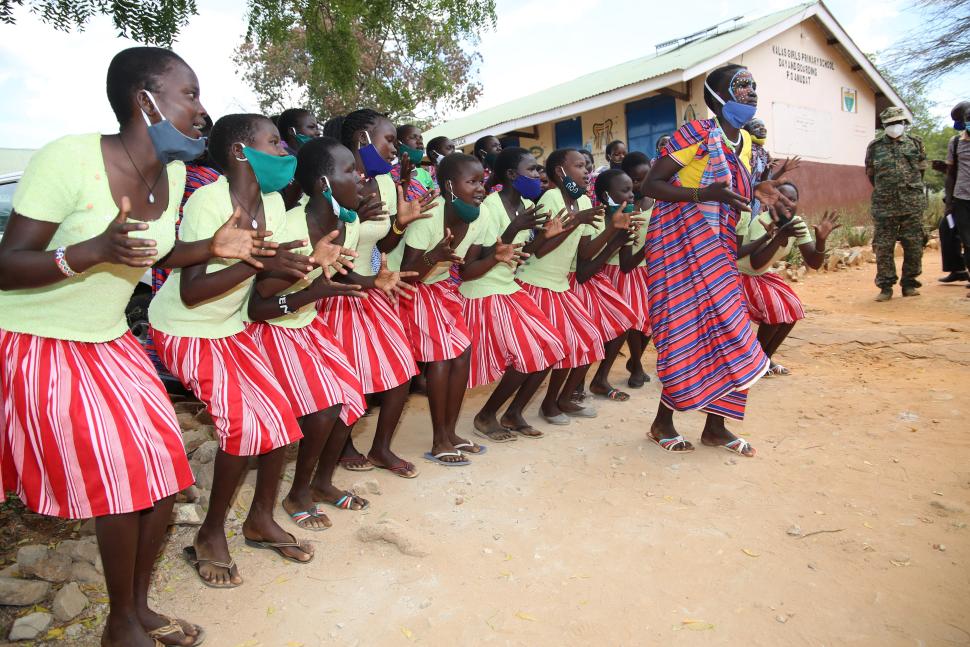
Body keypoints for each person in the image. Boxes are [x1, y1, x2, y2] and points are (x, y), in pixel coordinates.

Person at [0, 47, 277, 647]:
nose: (202, 111)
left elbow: (152, 255)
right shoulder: (70, 157)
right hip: (38, 340)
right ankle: (120, 625)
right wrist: (87, 253)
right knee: (127, 479)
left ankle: (137, 609)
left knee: (163, 474)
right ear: (145, 100)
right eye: (191, 95)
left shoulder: (173, 174)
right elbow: (5, 266)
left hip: (108, 340)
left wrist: (212, 249)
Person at [149, 113, 321, 587]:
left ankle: (259, 520)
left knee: (282, 419)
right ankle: (208, 535)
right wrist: (257, 265)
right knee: (245, 425)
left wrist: (306, 267)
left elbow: (265, 280)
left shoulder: (271, 200)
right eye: (275, 142)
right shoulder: (209, 201)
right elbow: (191, 291)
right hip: (185, 328)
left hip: (231, 327)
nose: (286, 150)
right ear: (241, 152)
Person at [642, 63, 793, 457]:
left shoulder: (746, 143)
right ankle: (662, 423)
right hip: (679, 252)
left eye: (754, 86)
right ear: (717, 95)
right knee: (684, 334)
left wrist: (760, 189)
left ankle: (715, 427)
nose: (751, 93)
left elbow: (737, 189)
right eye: (741, 86)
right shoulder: (696, 134)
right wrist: (702, 195)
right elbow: (651, 184)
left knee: (728, 332)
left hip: (719, 251)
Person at [311, 136, 433, 479]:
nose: (395, 148)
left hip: (371, 289)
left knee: (401, 370)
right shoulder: (332, 180)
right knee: (352, 377)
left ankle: (381, 447)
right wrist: (351, 218)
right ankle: (342, 448)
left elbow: (384, 242)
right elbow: (331, 250)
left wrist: (399, 223)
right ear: (361, 138)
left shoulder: (383, 182)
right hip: (336, 293)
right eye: (388, 139)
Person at [390, 153, 492, 464]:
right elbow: (409, 273)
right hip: (406, 286)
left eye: (482, 182)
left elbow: (468, 267)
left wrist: (496, 257)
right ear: (449, 185)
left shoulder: (480, 215)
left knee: (463, 352)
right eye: (472, 182)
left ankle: (450, 433)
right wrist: (434, 257)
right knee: (443, 356)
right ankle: (439, 440)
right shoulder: (431, 215)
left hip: (441, 286)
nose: (480, 188)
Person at [461, 147, 566, 441]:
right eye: (532, 170)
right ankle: (485, 416)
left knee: (552, 346)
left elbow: (517, 256)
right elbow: (470, 267)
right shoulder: (488, 208)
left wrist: (545, 236)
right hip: (483, 290)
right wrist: (512, 229)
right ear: (510, 175)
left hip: (508, 287)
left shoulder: (522, 208)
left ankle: (513, 412)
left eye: (538, 169)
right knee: (528, 353)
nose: (539, 176)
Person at [516, 148, 606, 424]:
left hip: (559, 284)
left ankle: (562, 399)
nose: (586, 171)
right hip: (536, 282)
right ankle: (535, 407)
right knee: (553, 348)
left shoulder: (582, 202)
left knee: (589, 338)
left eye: (587, 166)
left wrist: (613, 230)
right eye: (579, 166)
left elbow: (586, 254)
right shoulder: (551, 198)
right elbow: (540, 250)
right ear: (560, 172)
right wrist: (575, 222)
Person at [737, 182, 840, 375]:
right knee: (776, 309)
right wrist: (778, 237)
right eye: (782, 199)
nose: (788, 204)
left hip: (759, 275)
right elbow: (755, 262)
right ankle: (753, 360)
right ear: (772, 202)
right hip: (741, 275)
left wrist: (821, 240)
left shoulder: (797, 223)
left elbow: (814, 262)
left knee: (792, 307)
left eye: (792, 200)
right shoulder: (763, 221)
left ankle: (765, 359)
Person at [569, 170, 638, 403]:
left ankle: (600, 379)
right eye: (624, 191)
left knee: (624, 319)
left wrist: (626, 238)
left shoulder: (627, 216)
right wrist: (614, 239)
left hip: (597, 277)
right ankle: (576, 386)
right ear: (607, 194)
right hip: (580, 279)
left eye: (631, 190)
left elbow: (625, 258)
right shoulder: (595, 217)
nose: (631, 195)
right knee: (590, 331)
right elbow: (583, 267)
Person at [597, 167, 654, 389]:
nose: (632, 192)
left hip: (642, 270)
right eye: (628, 187)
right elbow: (625, 262)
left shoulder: (653, 205)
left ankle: (634, 362)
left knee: (647, 320)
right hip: (619, 273)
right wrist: (650, 246)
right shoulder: (614, 216)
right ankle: (636, 366)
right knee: (629, 322)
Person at [866, 106, 928, 301]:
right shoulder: (875, 147)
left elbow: (921, 171)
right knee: (883, 247)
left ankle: (909, 283)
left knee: (914, 245)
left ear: (904, 124)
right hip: (884, 206)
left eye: (898, 123)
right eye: (891, 124)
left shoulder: (915, 143)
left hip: (912, 204)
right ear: (884, 126)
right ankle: (885, 287)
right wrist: (887, 190)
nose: (895, 127)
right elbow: (871, 175)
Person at [939, 101, 970, 290]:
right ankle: (960, 271)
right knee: (967, 240)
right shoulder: (956, 142)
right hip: (962, 198)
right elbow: (951, 174)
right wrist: (949, 200)